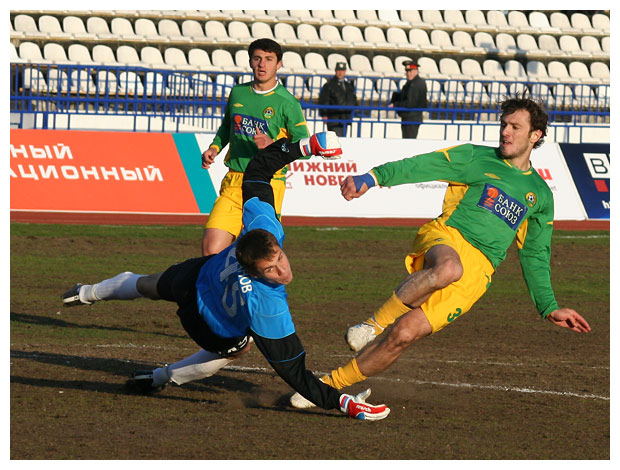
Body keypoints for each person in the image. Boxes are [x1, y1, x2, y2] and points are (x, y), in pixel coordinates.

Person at [61, 132, 390, 421]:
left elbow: (258, 168)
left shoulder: (262, 229)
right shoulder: (267, 305)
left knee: (149, 284)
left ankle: (88, 292)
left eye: (279, 259)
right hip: (207, 322)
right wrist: (344, 403)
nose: (282, 270)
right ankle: (158, 376)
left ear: (272, 243)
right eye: (271, 270)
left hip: (201, 275)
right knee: (236, 349)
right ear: (252, 270)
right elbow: (295, 375)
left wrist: (306, 146)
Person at [290, 94, 591, 408]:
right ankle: (371, 325)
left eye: (515, 127)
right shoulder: (476, 157)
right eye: (504, 124)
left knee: (404, 335)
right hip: (447, 237)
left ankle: (322, 387)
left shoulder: (540, 195)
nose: (505, 132)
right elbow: (422, 165)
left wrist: (548, 306)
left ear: (535, 136)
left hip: (478, 273)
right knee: (448, 268)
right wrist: (374, 177)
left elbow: (535, 254)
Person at [200, 38, 310, 256]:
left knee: (261, 254)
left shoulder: (288, 103)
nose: (262, 64)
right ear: (250, 61)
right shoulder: (238, 93)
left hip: (267, 185)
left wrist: (273, 146)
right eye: (257, 58)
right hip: (234, 181)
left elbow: (303, 147)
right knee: (211, 250)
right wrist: (214, 148)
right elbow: (227, 126)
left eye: (269, 59)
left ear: (279, 64)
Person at [318, 62, 358, 137]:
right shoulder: (329, 85)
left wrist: (355, 109)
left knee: (343, 139)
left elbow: (353, 99)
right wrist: (324, 114)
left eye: (342, 71)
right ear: (335, 71)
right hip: (334, 118)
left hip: (346, 117)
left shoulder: (348, 85)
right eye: (338, 70)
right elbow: (324, 100)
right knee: (336, 139)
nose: (340, 73)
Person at [389, 60, 427, 139]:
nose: (408, 73)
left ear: (416, 70)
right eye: (407, 71)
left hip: (412, 117)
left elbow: (410, 103)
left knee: (409, 142)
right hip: (410, 117)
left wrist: (395, 104)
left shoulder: (415, 84)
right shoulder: (413, 82)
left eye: (410, 71)